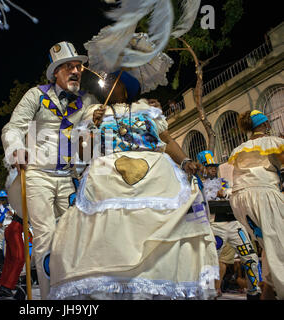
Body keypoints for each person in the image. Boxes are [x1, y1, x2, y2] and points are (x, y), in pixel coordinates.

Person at [48, 71, 219, 300]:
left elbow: (166, 141)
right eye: (106, 83)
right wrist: (88, 130)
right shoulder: (93, 113)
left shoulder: (146, 110)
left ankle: (158, 283)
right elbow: (82, 154)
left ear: (126, 88)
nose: (107, 86)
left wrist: (186, 161)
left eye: (114, 82)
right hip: (107, 175)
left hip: (155, 172)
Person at [1, 41, 99, 298]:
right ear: (56, 72)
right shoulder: (36, 95)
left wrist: (98, 117)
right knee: (45, 236)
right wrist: (15, 149)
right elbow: (13, 128)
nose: (76, 71)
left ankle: (70, 294)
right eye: (69, 67)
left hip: (69, 178)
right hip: (36, 176)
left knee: (72, 237)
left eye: (78, 67)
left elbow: (93, 121)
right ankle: (48, 299)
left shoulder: (87, 101)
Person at [228, 110, 284, 299]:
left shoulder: (240, 148)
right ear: (266, 124)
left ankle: (267, 291)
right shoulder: (273, 142)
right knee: (280, 249)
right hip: (263, 194)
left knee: (271, 248)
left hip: (240, 200)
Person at [197, 150, 262, 299]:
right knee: (211, 262)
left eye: (214, 166)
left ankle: (254, 291)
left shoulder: (224, 182)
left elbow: (233, 193)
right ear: (202, 167)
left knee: (250, 257)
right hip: (215, 226)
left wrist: (226, 193)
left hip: (234, 224)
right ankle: (208, 293)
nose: (213, 169)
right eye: (209, 166)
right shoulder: (198, 185)